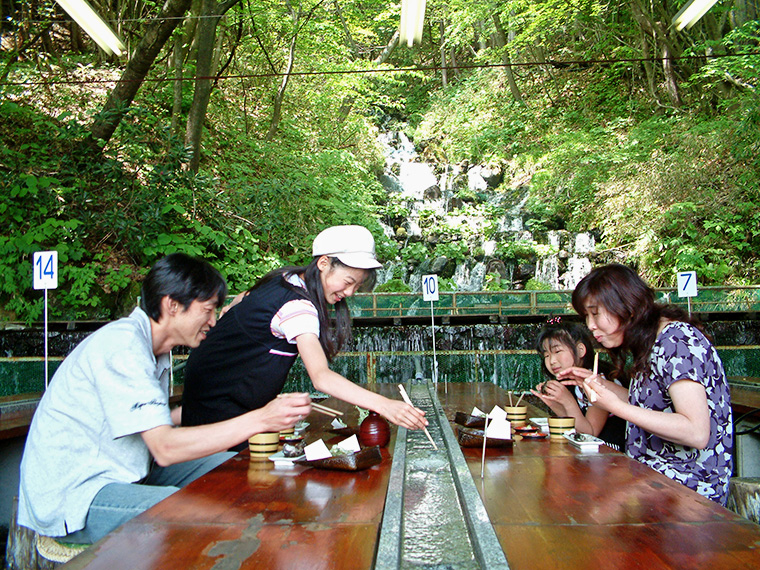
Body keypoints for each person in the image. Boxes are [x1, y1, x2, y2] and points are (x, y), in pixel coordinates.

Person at [17, 253, 312, 547]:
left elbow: (155, 422)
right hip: (79, 495)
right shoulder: (123, 345)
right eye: (208, 309)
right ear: (172, 305)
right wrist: (260, 418)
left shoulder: (155, 349)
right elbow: (165, 448)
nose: (214, 320)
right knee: (202, 509)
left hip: (133, 471)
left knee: (235, 468)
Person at [181, 225, 427, 444]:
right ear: (323, 263)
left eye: (357, 286)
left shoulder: (285, 278)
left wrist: (231, 312)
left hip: (206, 394)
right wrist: (385, 405)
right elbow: (320, 377)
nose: (350, 292)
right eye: (348, 281)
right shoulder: (299, 307)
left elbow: (242, 297)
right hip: (219, 412)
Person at [559, 263, 733, 505]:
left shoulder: (676, 339)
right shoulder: (651, 343)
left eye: (595, 313)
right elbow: (646, 404)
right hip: (652, 485)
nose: (590, 325)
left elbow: (696, 432)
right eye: (586, 316)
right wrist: (597, 383)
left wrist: (615, 407)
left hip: (688, 497)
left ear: (626, 306)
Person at [530, 320, 627, 450]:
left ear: (580, 350)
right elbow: (574, 425)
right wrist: (554, 403)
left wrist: (567, 401)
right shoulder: (573, 382)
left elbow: (589, 433)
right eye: (546, 355)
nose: (552, 361)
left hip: (613, 454)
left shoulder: (598, 379)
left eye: (557, 351)